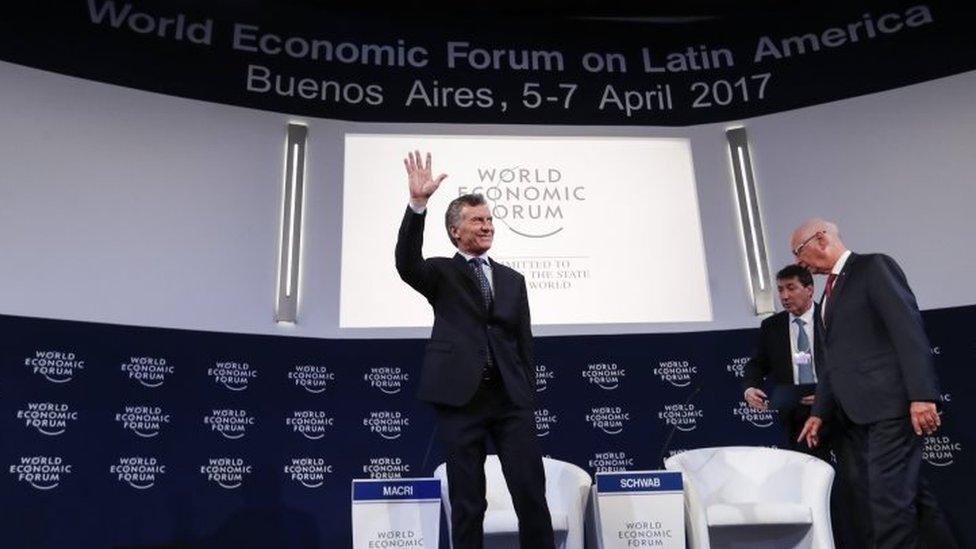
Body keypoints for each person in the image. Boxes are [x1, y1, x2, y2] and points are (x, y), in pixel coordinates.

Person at [395, 151, 554, 549]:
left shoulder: (512, 280)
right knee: (468, 504)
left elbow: (524, 341)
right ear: (455, 231)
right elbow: (405, 262)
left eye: (489, 220)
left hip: (510, 401)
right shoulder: (440, 273)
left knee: (531, 496)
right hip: (460, 401)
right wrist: (418, 205)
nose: (487, 227)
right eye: (477, 220)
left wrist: (526, 394)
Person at [793, 218, 956, 549]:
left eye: (799, 251)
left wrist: (923, 396)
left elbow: (907, 331)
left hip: (892, 409)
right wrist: (820, 411)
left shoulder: (873, 267)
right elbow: (831, 363)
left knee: (888, 506)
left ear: (821, 238)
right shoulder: (826, 298)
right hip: (857, 416)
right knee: (910, 499)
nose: (799, 263)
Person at [742, 264, 830, 461]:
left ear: (809, 290)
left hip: (835, 408)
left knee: (849, 474)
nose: (784, 296)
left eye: (791, 288)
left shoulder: (830, 319)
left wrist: (828, 395)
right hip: (795, 413)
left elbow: (850, 364)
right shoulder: (772, 326)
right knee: (807, 472)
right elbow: (757, 363)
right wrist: (750, 387)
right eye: (780, 289)